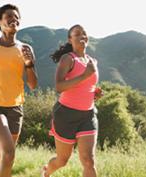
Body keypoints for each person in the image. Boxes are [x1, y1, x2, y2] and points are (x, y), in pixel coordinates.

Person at [0, 4, 38, 177]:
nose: (14, 19)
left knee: (2, 157)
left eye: (16, 16)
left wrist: (30, 64)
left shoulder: (25, 49)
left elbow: (32, 84)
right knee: (9, 154)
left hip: (15, 108)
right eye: (9, 16)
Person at [42, 24, 102, 177]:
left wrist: (94, 92)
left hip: (88, 115)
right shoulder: (68, 59)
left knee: (89, 160)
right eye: (77, 34)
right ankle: (46, 172)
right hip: (66, 114)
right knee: (62, 160)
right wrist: (84, 76)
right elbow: (59, 86)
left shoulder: (92, 61)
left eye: (84, 33)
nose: (82, 36)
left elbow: (86, 85)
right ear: (70, 39)